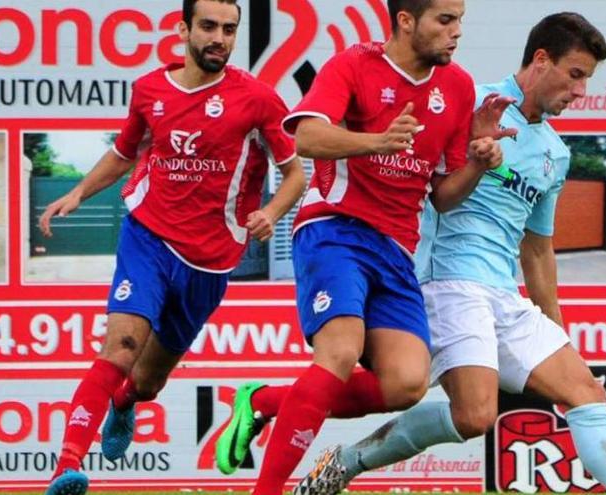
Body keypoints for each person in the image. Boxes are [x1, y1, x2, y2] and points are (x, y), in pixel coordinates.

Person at [291, 12, 606, 495]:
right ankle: (346, 459)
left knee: (585, 392)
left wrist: (554, 330)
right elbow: (424, 185)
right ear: (541, 60)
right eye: (575, 74)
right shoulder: (468, 99)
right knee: (475, 415)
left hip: (503, 293)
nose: (582, 91)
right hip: (447, 283)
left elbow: (538, 249)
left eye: (588, 78)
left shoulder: (555, 153)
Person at [212, 1, 515, 494]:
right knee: (340, 352)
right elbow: (305, 137)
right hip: (335, 227)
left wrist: (478, 164)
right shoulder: (354, 63)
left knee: (406, 384)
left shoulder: (458, 87)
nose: (456, 33)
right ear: (406, 20)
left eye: (460, 21)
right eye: (445, 20)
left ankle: (264, 401)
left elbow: (442, 195)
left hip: (396, 250)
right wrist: (375, 141)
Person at [38, 1, 305, 494]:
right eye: (208, 26)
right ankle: (67, 465)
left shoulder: (259, 99)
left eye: (228, 29)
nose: (218, 38)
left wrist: (272, 212)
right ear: (184, 29)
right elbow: (124, 153)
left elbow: (294, 173)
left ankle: (124, 404)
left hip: (210, 260)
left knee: (146, 382)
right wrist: (76, 192)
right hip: (149, 236)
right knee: (120, 346)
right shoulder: (150, 90)